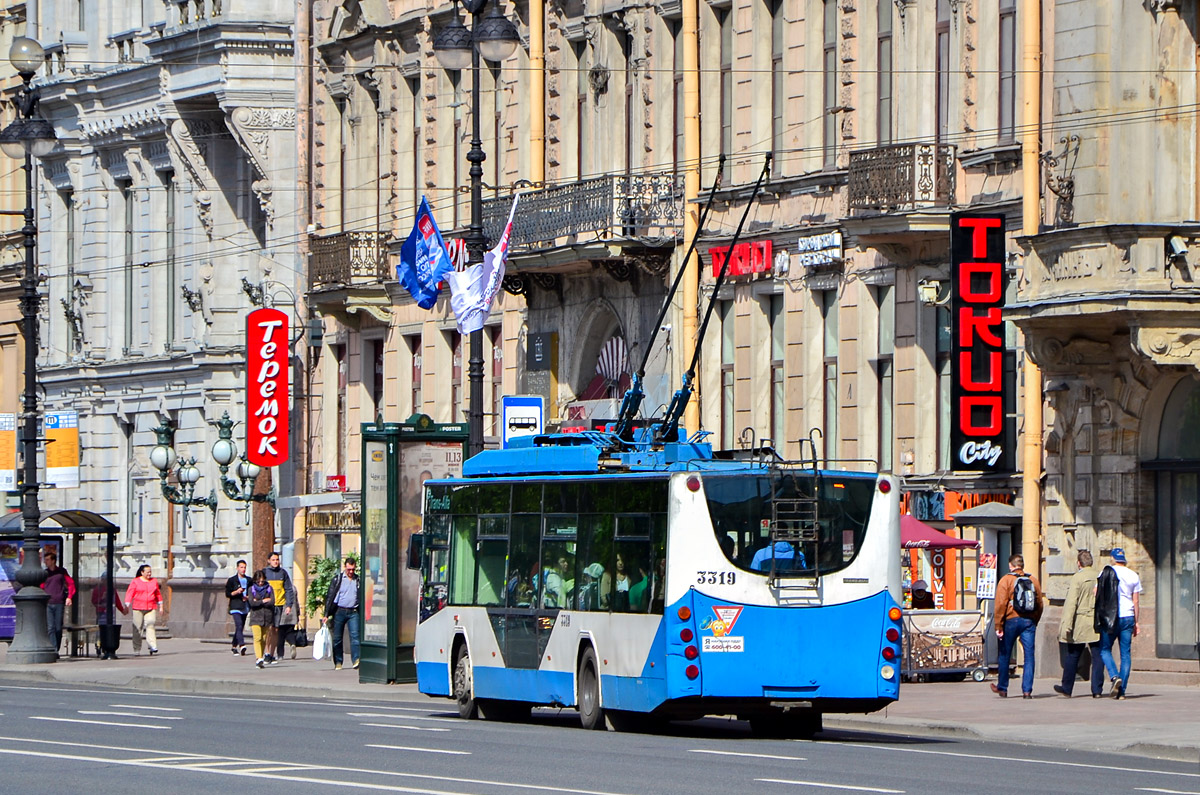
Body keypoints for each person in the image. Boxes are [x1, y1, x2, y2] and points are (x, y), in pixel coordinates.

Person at [989, 554, 1044, 699]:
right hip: (1028, 622)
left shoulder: (1006, 580)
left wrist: (998, 625)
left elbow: (1000, 605)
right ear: (1023, 565)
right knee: (1029, 656)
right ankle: (1027, 691)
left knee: (1004, 654)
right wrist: (1034, 620)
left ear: (1010, 565)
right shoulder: (1033, 580)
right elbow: (1040, 604)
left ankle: (1003, 688)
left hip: (1011, 621)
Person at [1055, 549, 1104, 697]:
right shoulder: (1099, 577)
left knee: (1073, 655)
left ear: (1079, 563)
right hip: (1097, 621)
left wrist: (1067, 625)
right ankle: (1097, 690)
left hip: (1080, 621)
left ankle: (1067, 688)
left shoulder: (1078, 578)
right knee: (1097, 656)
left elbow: (1071, 604)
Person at [1097, 547, 1142, 699]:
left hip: (1111, 617)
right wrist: (1136, 622)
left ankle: (1115, 676)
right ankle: (1121, 692)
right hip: (1128, 616)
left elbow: (1096, 594)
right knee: (1126, 654)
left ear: (1112, 558)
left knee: (1104, 649)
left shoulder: (1105, 573)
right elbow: (1135, 601)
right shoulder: (1133, 575)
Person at [322, 556, 361, 670]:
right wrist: (326, 614)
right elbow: (330, 597)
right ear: (345, 567)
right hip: (339, 611)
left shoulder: (357, 580)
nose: (351, 572)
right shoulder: (338, 579)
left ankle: (356, 660)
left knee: (355, 636)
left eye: (353, 569)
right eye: (349, 569)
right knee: (337, 638)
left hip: (353, 611)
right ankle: (338, 661)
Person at [264, 551, 298, 662]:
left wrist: (289, 605)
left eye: (277, 560)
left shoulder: (283, 573)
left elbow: (288, 589)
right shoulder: (264, 573)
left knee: (276, 630)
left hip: (279, 605)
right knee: (269, 630)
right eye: (273, 560)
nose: (276, 562)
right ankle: (267, 652)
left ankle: (272, 654)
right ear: (269, 561)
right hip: (268, 606)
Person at [40, 550, 75, 655]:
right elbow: (41, 586)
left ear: (53, 561)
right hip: (48, 603)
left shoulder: (61, 572)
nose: (45, 562)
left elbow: (71, 584)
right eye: (45, 560)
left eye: (47, 560)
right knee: (50, 627)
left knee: (58, 628)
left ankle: (56, 647)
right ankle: (54, 650)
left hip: (59, 602)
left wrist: (69, 597)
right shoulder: (45, 573)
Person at [123, 564, 163, 656]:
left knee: (150, 624)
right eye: (147, 572)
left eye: (150, 572)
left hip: (151, 607)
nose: (149, 574)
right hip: (138, 607)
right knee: (137, 628)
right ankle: (137, 649)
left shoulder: (154, 581)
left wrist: (161, 605)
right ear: (142, 572)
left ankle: (152, 646)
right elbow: (130, 594)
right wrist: (127, 606)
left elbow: (157, 594)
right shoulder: (135, 582)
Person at [246, 569, 276, 668]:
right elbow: (252, 603)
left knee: (264, 639)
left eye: (262, 581)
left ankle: (260, 657)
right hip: (255, 617)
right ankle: (259, 658)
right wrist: (263, 601)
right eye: (258, 581)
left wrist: (258, 601)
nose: (260, 583)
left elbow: (272, 602)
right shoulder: (251, 589)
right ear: (255, 581)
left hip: (267, 617)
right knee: (257, 637)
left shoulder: (269, 588)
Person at [224, 559, 251, 656]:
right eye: (241, 567)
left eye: (244, 567)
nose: (243, 569)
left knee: (240, 627)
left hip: (245, 605)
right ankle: (242, 645)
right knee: (238, 625)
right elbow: (228, 593)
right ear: (237, 568)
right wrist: (236, 592)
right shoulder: (232, 580)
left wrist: (248, 597)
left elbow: (252, 592)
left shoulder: (249, 580)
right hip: (235, 606)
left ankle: (234, 646)